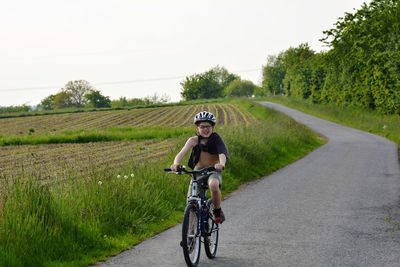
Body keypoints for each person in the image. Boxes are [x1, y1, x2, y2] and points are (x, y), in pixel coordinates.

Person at [170, 111, 229, 224]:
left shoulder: (216, 139)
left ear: (212, 127)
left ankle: (217, 210)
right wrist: (176, 163)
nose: (205, 129)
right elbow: (181, 154)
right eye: (202, 127)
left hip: (213, 171)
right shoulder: (193, 141)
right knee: (191, 201)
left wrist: (221, 164)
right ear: (197, 128)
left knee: (213, 185)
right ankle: (190, 235)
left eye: (208, 127)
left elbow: (222, 153)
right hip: (197, 172)